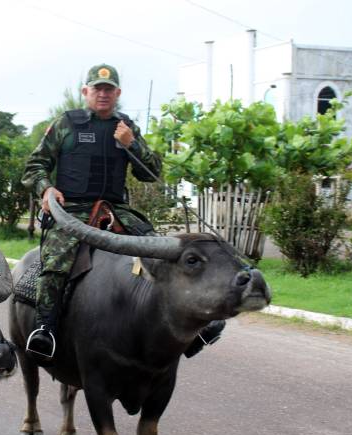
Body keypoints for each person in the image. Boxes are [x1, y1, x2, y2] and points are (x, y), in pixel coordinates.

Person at [21, 63, 224, 361]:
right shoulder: (66, 124)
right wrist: (45, 189)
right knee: (57, 262)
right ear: (85, 91)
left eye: (108, 90)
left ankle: (193, 324)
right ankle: (45, 330)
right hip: (71, 210)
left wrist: (132, 145)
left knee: (162, 251)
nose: (102, 94)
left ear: (117, 93)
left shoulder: (126, 126)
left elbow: (151, 173)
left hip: (116, 210)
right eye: (97, 89)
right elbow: (34, 166)